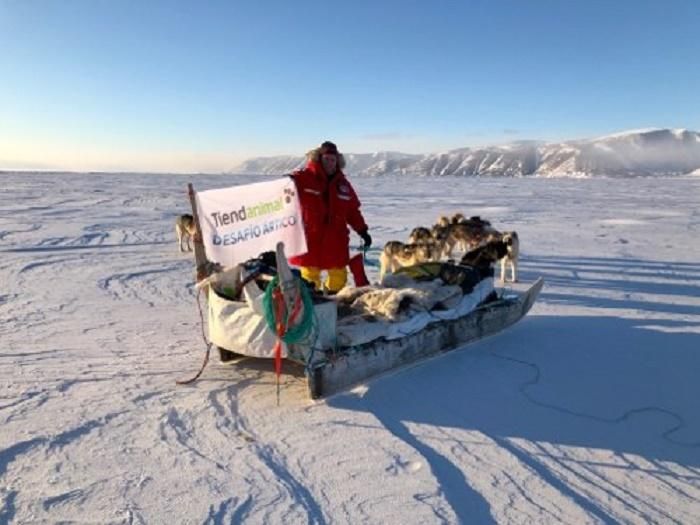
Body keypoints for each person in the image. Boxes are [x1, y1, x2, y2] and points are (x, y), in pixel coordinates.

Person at [288, 141, 371, 293]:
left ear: (337, 161)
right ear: (319, 159)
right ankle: (312, 303)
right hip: (311, 238)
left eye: (333, 159)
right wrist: (286, 182)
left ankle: (331, 300)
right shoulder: (303, 178)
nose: (330, 163)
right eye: (326, 159)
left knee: (339, 276)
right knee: (309, 278)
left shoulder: (343, 185)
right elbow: (285, 189)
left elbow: (352, 211)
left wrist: (362, 231)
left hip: (335, 240)